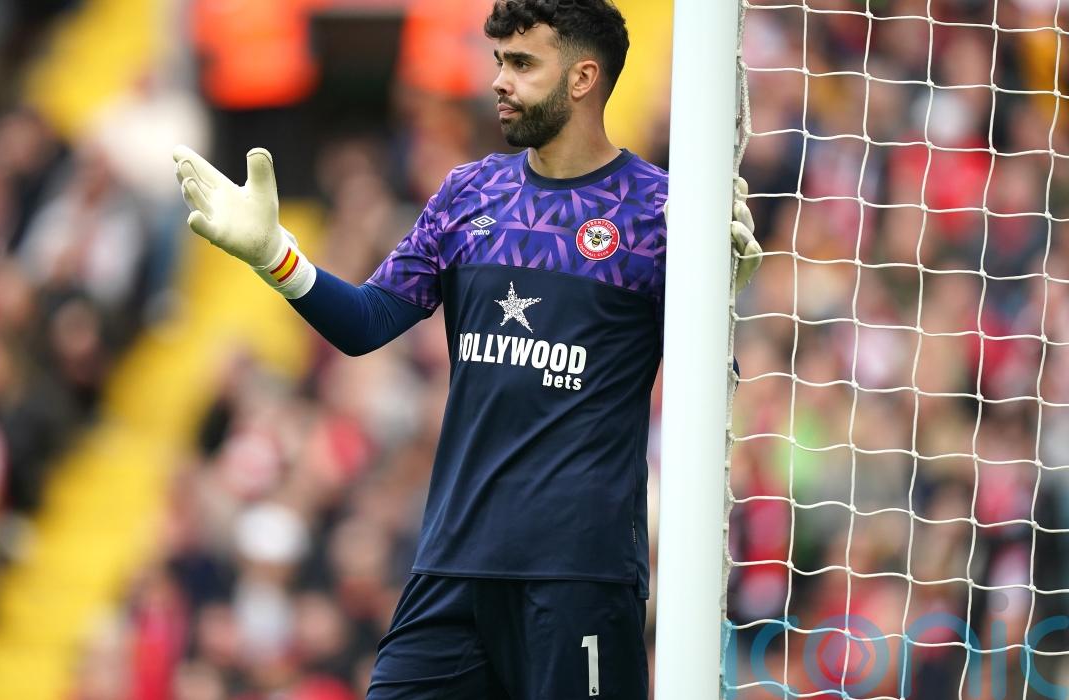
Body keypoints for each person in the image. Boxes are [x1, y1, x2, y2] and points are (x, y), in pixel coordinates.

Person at [172, 1, 761, 697]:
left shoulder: (658, 213)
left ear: (583, 78)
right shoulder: (468, 194)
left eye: (523, 64)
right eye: (499, 61)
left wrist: (715, 303)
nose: (499, 81)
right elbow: (367, 322)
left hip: (578, 575)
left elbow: (704, 396)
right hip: (453, 565)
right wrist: (275, 255)